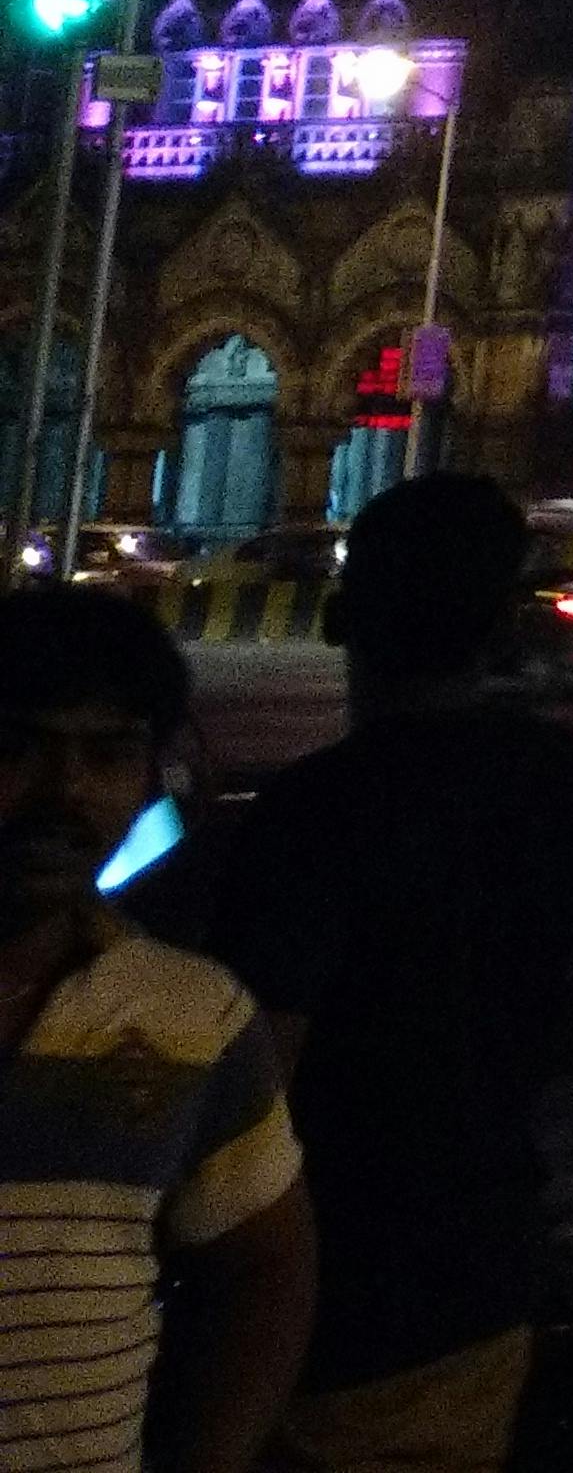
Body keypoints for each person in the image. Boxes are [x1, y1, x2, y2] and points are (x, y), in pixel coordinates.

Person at [213, 478, 573, 1472]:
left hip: (333, 1287)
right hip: (484, 1267)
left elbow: (263, 1077)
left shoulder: (312, 813)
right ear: (500, 626)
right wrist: (492, 1068)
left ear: (347, 622)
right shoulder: (570, 775)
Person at [0, 585, 312, 1473]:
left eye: (107, 754)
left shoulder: (194, 1017)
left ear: (149, 778)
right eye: (15, 747)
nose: (65, 792)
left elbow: (263, 1273)